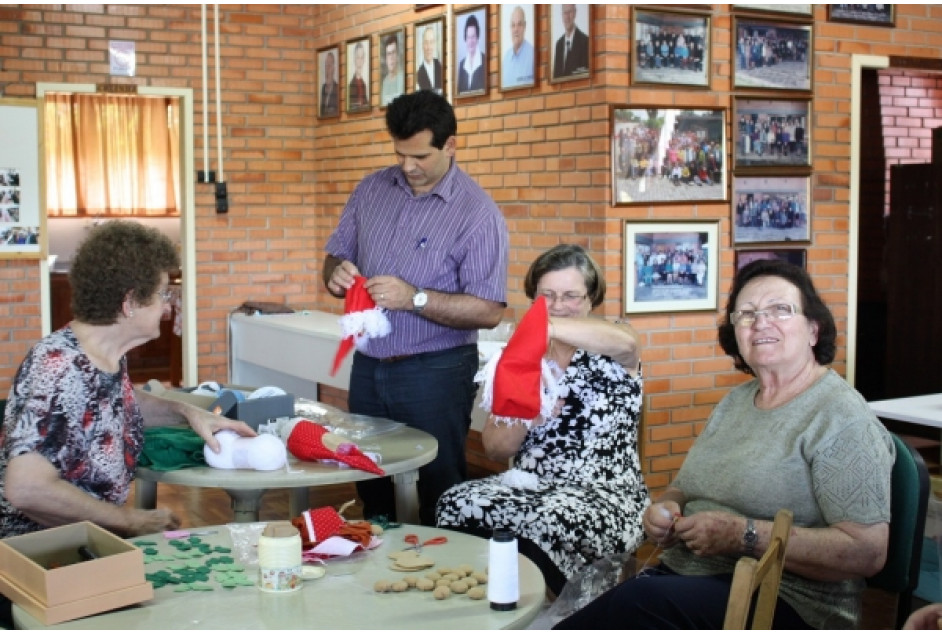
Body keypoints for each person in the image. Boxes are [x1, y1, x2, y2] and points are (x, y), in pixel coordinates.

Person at [555, 258, 895, 630]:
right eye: (746, 314)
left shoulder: (841, 417)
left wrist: (742, 535)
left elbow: (867, 551)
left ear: (814, 329)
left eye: (780, 310)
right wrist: (666, 508)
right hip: (692, 576)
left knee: (636, 603)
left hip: (789, 600)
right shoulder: (736, 401)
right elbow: (685, 487)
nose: (761, 322)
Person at [0, 221, 255, 626]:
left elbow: (118, 402)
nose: (169, 304)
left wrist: (190, 413)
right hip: (40, 562)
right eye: (162, 294)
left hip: (82, 544)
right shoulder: (60, 368)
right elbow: (26, 487)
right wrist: (129, 519)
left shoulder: (99, 353)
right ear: (129, 303)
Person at [322, 90, 509, 525]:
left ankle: (441, 582)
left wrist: (416, 298)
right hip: (368, 365)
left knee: (438, 490)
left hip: (437, 372)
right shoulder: (371, 189)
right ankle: (378, 575)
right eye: (400, 154)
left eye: (420, 156)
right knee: (368, 478)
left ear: (450, 145)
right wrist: (335, 273)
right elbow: (335, 254)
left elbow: (489, 311)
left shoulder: (478, 214)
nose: (408, 167)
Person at [435, 244, 648, 596]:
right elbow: (493, 448)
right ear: (534, 296)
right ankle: (488, 602)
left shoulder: (612, 343)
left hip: (606, 492)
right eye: (547, 295)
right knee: (456, 502)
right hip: (532, 484)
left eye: (571, 296)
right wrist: (525, 413)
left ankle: (552, 612)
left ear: (592, 298)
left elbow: (627, 343)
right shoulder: (520, 355)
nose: (559, 305)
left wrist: (545, 327)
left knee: (545, 520)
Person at [552, 4, 589, 79]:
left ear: (575, 13)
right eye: (565, 13)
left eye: (570, 12)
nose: (567, 17)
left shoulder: (585, 42)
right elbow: (556, 77)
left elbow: (584, 73)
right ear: (562, 15)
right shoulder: (558, 45)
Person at [502, 6, 534, 89]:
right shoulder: (506, 58)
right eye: (513, 25)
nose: (516, 29)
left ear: (525, 26)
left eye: (519, 24)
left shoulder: (533, 55)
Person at [457, 14, 485, 94]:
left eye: (473, 37)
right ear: (465, 39)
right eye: (468, 37)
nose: (471, 41)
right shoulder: (462, 65)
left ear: (477, 38)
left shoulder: (484, 61)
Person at [416, 25, 442, 94]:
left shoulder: (440, 67)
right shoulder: (418, 75)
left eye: (431, 42)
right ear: (422, 45)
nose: (429, 47)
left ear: (434, 44)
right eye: (426, 42)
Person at [380, 34, 404, 107]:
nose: (391, 58)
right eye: (389, 54)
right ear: (386, 58)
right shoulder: (384, 83)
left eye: (393, 53)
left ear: (397, 55)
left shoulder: (402, 78)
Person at [348, 41, 369, 111]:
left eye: (362, 57)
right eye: (357, 57)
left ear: (364, 60)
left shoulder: (364, 84)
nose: (360, 61)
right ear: (354, 59)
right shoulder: (351, 85)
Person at [320, 50, 339, 117]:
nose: (327, 69)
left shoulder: (337, 89)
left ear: (333, 69)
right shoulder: (323, 88)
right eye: (326, 65)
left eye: (329, 65)